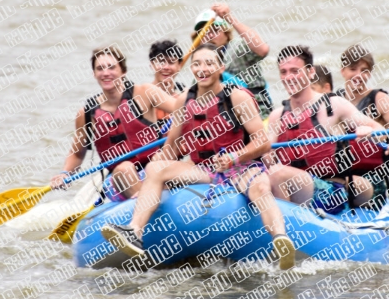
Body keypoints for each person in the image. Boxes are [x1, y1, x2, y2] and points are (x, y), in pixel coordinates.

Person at [100, 44, 296, 269]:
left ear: (221, 67)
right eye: (197, 64)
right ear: (191, 68)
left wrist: (236, 157)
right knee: (156, 169)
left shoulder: (237, 97)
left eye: (209, 63)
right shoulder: (185, 100)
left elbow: (262, 141)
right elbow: (171, 147)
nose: (203, 69)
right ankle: (134, 231)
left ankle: (280, 239)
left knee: (261, 187)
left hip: (240, 168)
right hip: (203, 169)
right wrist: (149, 179)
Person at [266, 46, 389, 214]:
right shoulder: (277, 116)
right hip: (294, 186)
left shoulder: (334, 105)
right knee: (267, 175)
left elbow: (379, 130)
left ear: (310, 72)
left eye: (295, 71)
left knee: (278, 174)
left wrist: (369, 132)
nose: (289, 78)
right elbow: (266, 155)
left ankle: (284, 227)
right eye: (284, 72)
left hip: (332, 188)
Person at [51, 46, 179, 202]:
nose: (106, 73)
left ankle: (156, 200)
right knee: (124, 168)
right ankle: (146, 207)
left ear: (123, 71)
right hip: (119, 181)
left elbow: (185, 111)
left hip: (153, 168)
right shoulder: (86, 113)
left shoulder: (145, 93)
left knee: (160, 158)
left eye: (111, 67)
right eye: (100, 68)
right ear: (94, 74)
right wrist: (65, 174)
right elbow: (77, 154)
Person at [336, 43, 389, 210]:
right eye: (353, 69)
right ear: (343, 71)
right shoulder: (333, 100)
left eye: (364, 71)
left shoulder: (379, 99)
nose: (358, 75)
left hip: (373, 180)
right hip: (340, 176)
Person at [192, 2, 273, 117]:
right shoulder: (199, 63)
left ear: (226, 33)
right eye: (204, 32)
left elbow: (263, 49)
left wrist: (229, 18)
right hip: (223, 118)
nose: (209, 36)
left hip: (257, 113)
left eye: (215, 30)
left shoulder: (238, 47)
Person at [149, 39, 186, 120]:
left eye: (171, 62)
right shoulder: (142, 95)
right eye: (161, 62)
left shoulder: (185, 94)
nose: (166, 67)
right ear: (152, 64)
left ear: (179, 65)